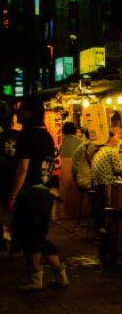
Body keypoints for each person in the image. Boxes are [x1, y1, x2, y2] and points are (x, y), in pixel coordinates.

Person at [6, 97, 69, 291]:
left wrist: (13, 195)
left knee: (30, 236)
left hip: (30, 193)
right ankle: (60, 274)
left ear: (30, 112)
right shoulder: (47, 136)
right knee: (39, 235)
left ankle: (36, 279)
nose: (18, 113)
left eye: (22, 110)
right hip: (45, 192)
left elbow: (22, 169)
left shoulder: (27, 136)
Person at [0, 108, 23, 256]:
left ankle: (2, 245)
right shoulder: (21, 137)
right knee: (18, 212)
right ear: (13, 121)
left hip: (2, 179)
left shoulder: (0, 137)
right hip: (17, 179)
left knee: (1, 211)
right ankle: (16, 246)